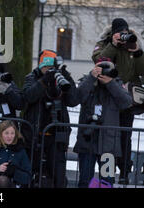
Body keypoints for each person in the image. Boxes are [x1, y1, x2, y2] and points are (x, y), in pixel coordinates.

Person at [92, 17, 144, 183]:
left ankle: (124, 173)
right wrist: (113, 45)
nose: (122, 36)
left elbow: (142, 70)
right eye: (119, 33)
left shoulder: (132, 45)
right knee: (108, 137)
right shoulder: (104, 44)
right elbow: (99, 61)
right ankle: (107, 174)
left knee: (125, 137)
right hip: (107, 100)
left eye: (125, 33)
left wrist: (137, 52)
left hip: (127, 100)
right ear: (113, 33)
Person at [21, 49, 78, 188]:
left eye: (51, 68)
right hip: (35, 132)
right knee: (31, 171)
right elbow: (28, 96)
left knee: (57, 172)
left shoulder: (61, 78)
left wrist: (67, 79)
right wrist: (44, 81)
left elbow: (73, 100)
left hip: (57, 133)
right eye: (45, 68)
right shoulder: (32, 77)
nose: (49, 71)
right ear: (40, 67)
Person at [73, 59, 132, 187]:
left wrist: (110, 83)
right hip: (87, 141)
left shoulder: (116, 84)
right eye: (101, 68)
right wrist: (91, 77)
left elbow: (126, 103)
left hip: (108, 145)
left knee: (107, 182)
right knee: (84, 181)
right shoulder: (87, 81)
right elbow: (76, 98)